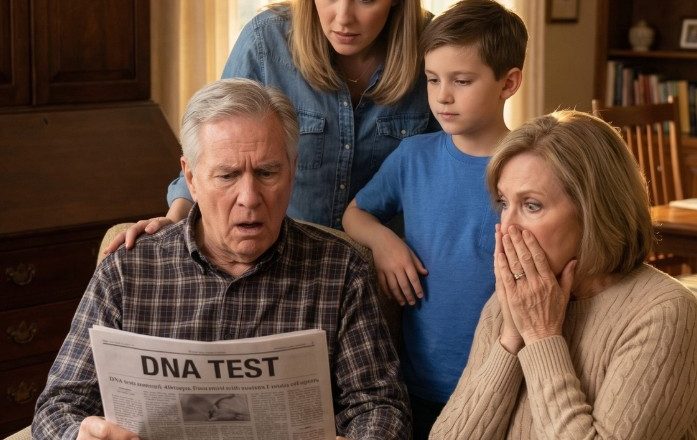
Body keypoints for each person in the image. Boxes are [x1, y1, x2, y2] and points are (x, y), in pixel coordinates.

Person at [32, 79, 410, 440]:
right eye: (227, 175)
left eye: (267, 172)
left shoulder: (340, 270)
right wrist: (79, 434)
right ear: (191, 178)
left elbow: (381, 406)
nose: (249, 197)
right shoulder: (127, 271)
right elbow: (57, 407)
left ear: (293, 170)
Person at [429, 110, 697, 439]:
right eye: (504, 203)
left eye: (532, 205)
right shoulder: (511, 301)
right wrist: (510, 340)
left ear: (594, 212)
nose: (507, 227)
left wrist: (541, 336)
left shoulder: (664, 313)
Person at [105, 0, 436, 254]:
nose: (343, 18)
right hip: (285, 259)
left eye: (366, 0)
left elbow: (453, 167)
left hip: (391, 265)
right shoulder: (266, 41)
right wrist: (173, 220)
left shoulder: (433, 49)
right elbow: (214, 146)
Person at [341, 1, 526, 438]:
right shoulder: (412, 157)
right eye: (432, 79)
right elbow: (355, 213)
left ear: (508, 83)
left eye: (462, 81)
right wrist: (384, 242)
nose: (443, 96)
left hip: (507, 382)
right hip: (419, 384)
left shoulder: (531, 165)